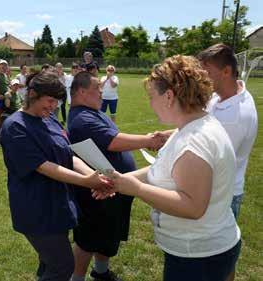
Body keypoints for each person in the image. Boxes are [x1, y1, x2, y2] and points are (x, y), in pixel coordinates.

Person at [99, 55, 241, 281]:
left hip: (198, 256)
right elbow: (163, 170)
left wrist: (136, 188)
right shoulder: (190, 127)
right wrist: (119, 181)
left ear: (168, 96)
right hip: (202, 250)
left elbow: (193, 207)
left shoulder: (194, 142)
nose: (149, 103)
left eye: (151, 96)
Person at [0, 71, 114, 281]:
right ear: (32, 94)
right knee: (62, 266)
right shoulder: (15, 126)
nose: (53, 106)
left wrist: (95, 176)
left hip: (58, 205)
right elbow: (45, 167)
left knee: (50, 263)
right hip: (36, 210)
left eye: (57, 102)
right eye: (50, 100)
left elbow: (68, 154)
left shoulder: (49, 118)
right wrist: (86, 181)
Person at [67, 71, 165, 281]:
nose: (102, 92)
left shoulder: (92, 111)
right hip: (96, 192)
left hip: (113, 189)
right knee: (87, 241)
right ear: (82, 92)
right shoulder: (82, 118)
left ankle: (101, 272)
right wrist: (150, 140)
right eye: (97, 89)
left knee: (108, 235)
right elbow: (114, 141)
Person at [197, 43, 258, 221]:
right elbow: (200, 125)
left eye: (206, 72)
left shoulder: (236, 116)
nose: (202, 78)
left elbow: (212, 160)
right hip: (213, 189)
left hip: (221, 195)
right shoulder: (220, 96)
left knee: (211, 248)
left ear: (226, 72)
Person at [0, 59, 9, 137]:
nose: (3, 66)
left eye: (5, 65)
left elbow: (7, 85)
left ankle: (3, 131)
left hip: (5, 98)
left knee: (4, 116)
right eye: (2, 64)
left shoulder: (5, 75)